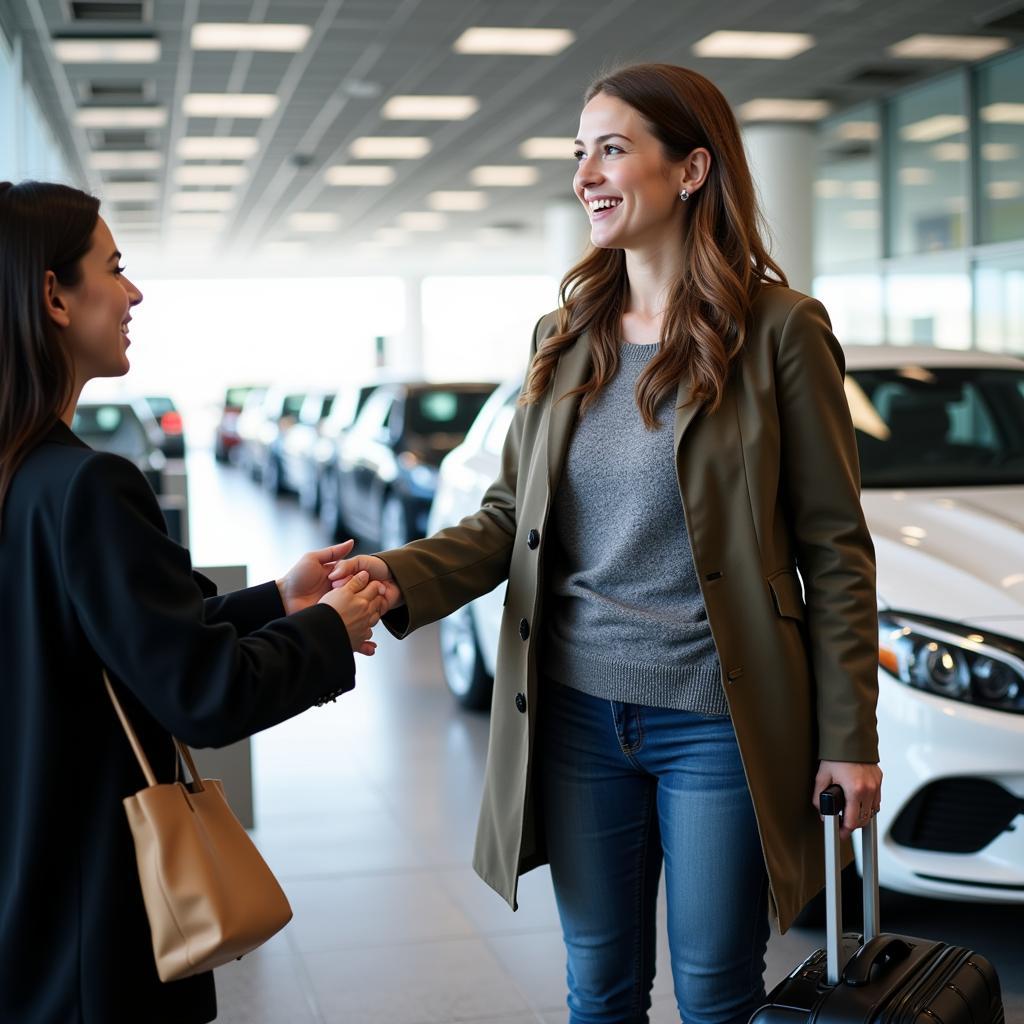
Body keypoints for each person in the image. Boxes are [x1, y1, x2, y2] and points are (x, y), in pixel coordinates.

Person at [329, 64, 883, 1024]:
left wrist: (849, 737)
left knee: (716, 991)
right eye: (579, 150)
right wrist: (395, 574)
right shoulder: (565, 334)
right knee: (600, 989)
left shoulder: (781, 332)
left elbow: (836, 549)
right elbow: (511, 519)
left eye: (613, 148)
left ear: (693, 168)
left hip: (718, 719)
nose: (586, 171)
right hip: (579, 713)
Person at [0, 180, 387, 1024]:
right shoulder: (86, 486)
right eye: (115, 267)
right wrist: (330, 626)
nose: (134, 293)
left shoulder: (21, 481)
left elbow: (109, 638)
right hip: (90, 926)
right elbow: (203, 692)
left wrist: (276, 602)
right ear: (52, 296)